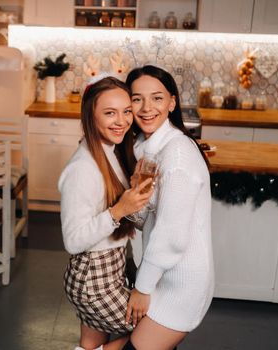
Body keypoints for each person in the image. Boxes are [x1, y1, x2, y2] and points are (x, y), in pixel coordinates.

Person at [121, 65, 214, 350]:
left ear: (172, 102)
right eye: (137, 99)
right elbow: (144, 216)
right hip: (158, 270)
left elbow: (171, 235)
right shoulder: (143, 146)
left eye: (157, 98)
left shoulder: (177, 155)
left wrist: (142, 288)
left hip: (181, 280)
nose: (147, 108)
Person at [58, 76, 154, 350]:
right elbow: (73, 241)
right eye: (110, 113)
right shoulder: (82, 169)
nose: (122, 121)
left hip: (109, 270)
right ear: (90, 115)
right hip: (93, 281)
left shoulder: (110, 150)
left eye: (126, 111)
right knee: (158, 329)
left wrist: (131, 193)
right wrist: (118, 210)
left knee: (90, 343)